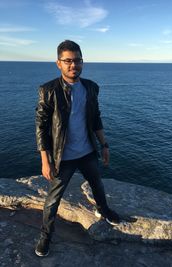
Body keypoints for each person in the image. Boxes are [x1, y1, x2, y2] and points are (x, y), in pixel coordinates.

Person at [35, 40, 120, 257]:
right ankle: (45, 236)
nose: (74, 65)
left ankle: (104, 211)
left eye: (78, 60)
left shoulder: (91, 87)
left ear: (83, 62)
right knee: (53, 200)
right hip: (62, 156)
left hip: (87, 151)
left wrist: (104, 145)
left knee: (97, 185)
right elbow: (41, 127)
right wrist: (45, 160)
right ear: (58, 63)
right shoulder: (48, 90)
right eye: (68, 61)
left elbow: (96, 118)